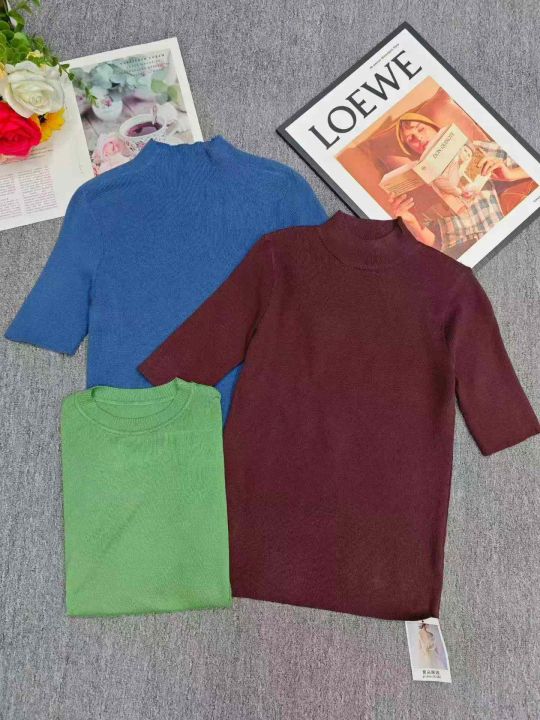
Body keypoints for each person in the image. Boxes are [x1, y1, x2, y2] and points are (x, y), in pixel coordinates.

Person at [388, 112, 530, 258]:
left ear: (434, 128)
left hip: (493, 234)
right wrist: (410, 220)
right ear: (410, 149)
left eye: (420, 128)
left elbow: (533, 163)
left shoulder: (473, 148)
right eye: (410, 139)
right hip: (454, 252)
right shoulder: (417, 184)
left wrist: (510, 175)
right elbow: (432, 243)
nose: (419, 138)